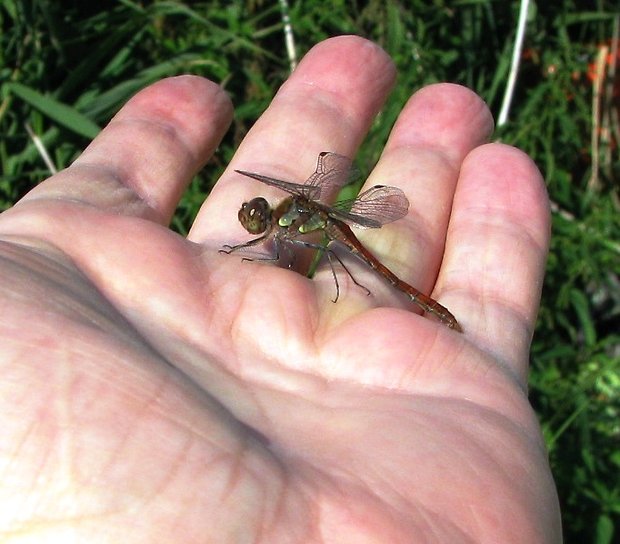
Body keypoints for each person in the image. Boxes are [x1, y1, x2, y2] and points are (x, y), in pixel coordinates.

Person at [0, 36, 561, 542]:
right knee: (326, 254)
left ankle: (420, 305)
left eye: (256, 218)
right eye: (253, 217)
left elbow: (302, 247)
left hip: (339, 235)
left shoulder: (296, 221)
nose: (254, 219)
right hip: (316, 226)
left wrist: (324, 261)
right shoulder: (280, 216)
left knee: (355, 263)